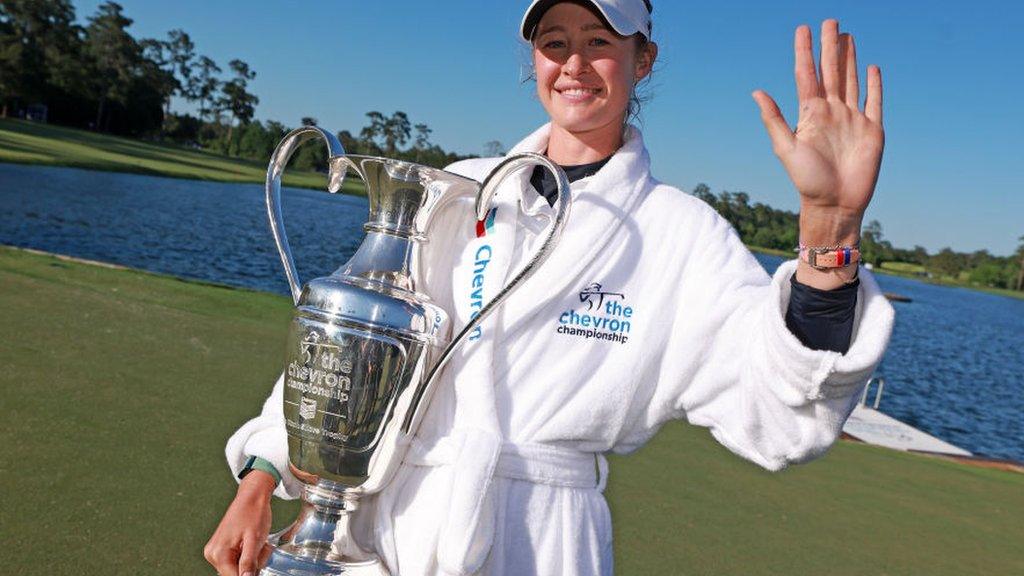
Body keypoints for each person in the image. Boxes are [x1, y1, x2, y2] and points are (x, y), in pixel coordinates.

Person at [205, 1, 894, 574]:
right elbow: (353, 352)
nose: (573, 63)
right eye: (554, 42)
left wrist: (829, 235)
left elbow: (780, 407)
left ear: (643, 59)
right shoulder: (458, 188)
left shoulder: (682, 235)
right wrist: (267, 472)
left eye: (599, 41)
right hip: (385, 524)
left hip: (538, 543)